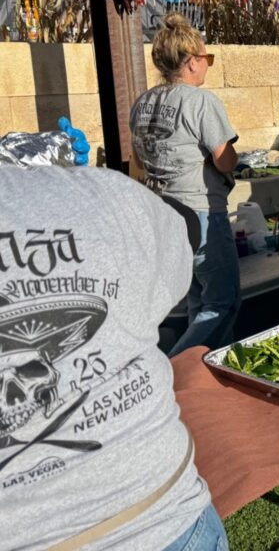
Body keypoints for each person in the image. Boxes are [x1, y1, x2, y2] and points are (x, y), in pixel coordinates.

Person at [1, 166, 226, 551]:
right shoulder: (91, 190)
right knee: (219, 303)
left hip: (164, 509)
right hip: (167, 516)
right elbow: (175, 266)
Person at [130, 13, 240, 357]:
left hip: (161, 209)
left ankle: (197, 382)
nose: (207, 65)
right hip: (201, 209)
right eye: (206, 58)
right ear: (191, 62)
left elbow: (137, 162)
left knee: (196, 296)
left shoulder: (143, 102)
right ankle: (173, 369)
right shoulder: (200, 102)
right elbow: (224, 159)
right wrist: (232, 161)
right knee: (223, 301)